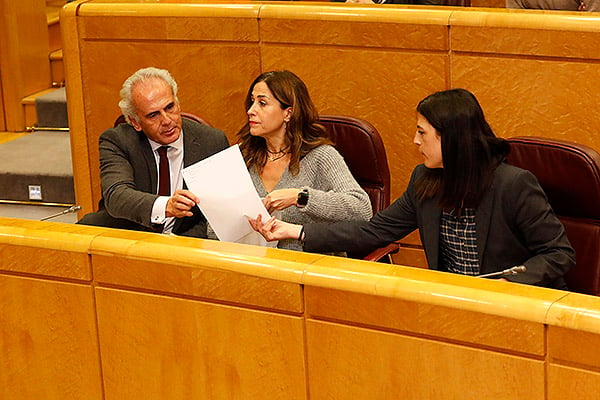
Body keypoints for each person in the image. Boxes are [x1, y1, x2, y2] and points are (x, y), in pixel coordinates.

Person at [250, 88, 575, 289]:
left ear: (451, 137)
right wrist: (294, 231)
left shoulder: (513, 184)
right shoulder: (425, 180)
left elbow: (559, 254)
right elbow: (372, 231)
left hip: (516, 306)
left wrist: (510, 284)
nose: (415, 141)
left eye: (422, 133)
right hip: (451, 304)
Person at [77, 67, 229, 237]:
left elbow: (218, 214)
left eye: (170, 107)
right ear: (136, 123)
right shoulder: (118, 141)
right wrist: (166, 206)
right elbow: (116, 196)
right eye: (153, 115)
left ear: (177, 103)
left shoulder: (212, 142)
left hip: (186, 244)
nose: (166, 120)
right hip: (126, 239)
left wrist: (175, 246)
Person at [237, 70, 373, 251]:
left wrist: (299, 197)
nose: (251, 110)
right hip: (250, 266)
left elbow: (362, 209)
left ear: (288, 113)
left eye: (262, 103)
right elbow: (215, 229)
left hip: (309, 268)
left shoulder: (321, 156)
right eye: (252, 102)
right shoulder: (243, 156)